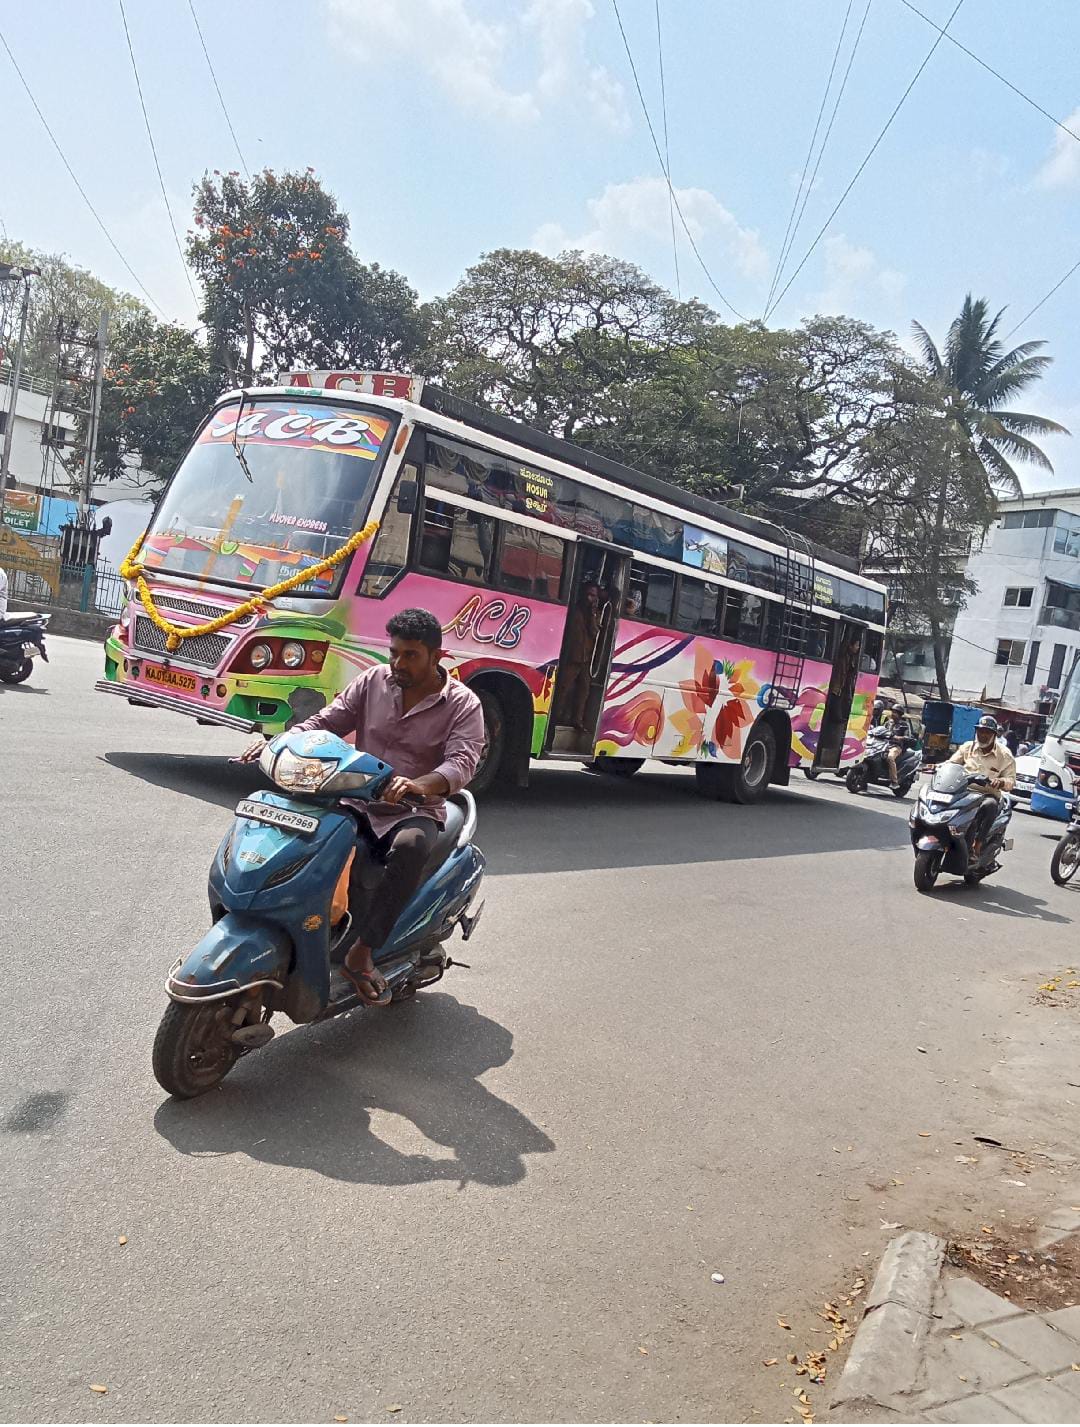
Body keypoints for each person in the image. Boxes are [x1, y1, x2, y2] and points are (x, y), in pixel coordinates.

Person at [238, 608, 485, 1006]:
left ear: (436, 657)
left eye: (410, 656)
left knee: (409, 848)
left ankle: (363, 953)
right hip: (355, 795)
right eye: (394, 653)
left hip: (412, 808)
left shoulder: (463, 704)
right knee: (309, 837)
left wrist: (417, 785)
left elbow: (462, 762)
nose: (398, 664)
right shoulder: (374, 681)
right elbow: (326, 722)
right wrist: (275, 742)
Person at [948, 714, 1016, 849]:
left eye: (987, 732)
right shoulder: (967, 747)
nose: (982, 735)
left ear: (994, 735)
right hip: (963, 791)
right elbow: (951, 764)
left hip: (987, 795)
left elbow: (1011, 781)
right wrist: (936, 767)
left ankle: (977, 844)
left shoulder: (1005, 755)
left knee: (989, 806)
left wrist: (1001, 782)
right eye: (980, 731)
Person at [557, 581, 601, 731]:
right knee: (563, 687)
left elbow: (595, 632)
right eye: (588, 594)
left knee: (584, 690)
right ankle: (557, 716)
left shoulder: (594, 614)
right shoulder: (574, 610)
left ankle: (577, 719)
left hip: (586, 658)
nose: (589, 598)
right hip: (572, 656)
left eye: (593, 596)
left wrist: (593, 615)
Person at [882, 706, 915, 787]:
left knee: (890, 758)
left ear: (900, 715)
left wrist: (898, 737)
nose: (893, 714)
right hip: (883, 744)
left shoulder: (904, 725)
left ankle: (894, 781)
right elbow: (881, 730)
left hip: (896, 746)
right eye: (892, 712)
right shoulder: (888, 723)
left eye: (895, 712)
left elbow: (908, 736)